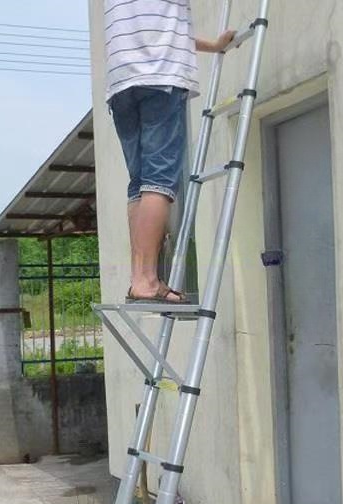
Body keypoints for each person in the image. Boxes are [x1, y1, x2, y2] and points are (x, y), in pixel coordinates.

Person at [105, 0, 234, 303]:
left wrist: (214, 46)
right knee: (159, 180)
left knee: (139, 183)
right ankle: (148, 281)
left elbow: (159, 26)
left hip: (122, 82)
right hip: (160, 77)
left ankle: (138, 278)